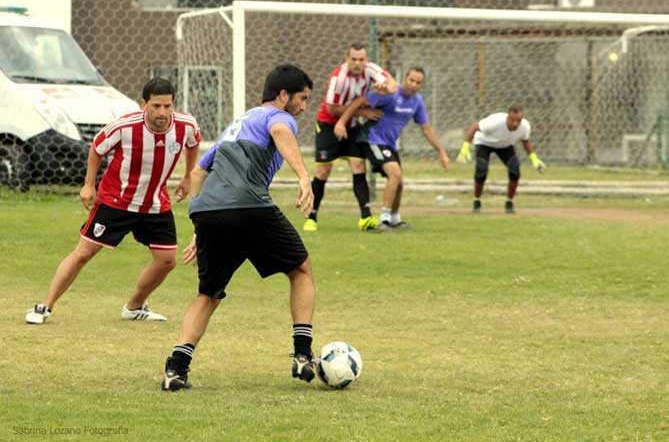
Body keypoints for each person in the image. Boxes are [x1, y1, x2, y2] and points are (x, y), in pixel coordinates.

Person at [160, 64, 316, 391]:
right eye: (301, 99)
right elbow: (281, 132)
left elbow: (200, 174)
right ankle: (303, 354)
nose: (303, 108)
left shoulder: (237, 124)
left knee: (208, 294)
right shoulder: (278, 117)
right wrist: (303, 176)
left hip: (208, 213)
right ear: (283, 95)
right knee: (301, 269)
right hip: (249, 207)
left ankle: (176, 369)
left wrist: (200, 230)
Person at [25, 78, 201, 324]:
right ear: (144, 104)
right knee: (84, 253)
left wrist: (186, 176)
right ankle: (44, 306)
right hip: (116, 201)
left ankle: (134, 307)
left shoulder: (186, 125)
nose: (162, 113)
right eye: (156, 106)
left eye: (168, 106)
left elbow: (193, 144)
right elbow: (97, 148)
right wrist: (88, 185)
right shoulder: (124, 127)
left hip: (154, 203)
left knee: (167, 260)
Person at [334, 67, 450, 231]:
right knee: (395, 174)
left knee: (399, 181)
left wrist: (441, 152)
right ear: (405, 79)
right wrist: (342, 122)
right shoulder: (389, 94)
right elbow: (359, 101)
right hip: (372, 138)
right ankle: (384, 218)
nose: (414, 84)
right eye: (411, 80)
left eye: (418, 82)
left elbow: (426, 128)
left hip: (389, 143)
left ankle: (395, 218)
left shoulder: (417, 101)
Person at [303, 42, 398, 232]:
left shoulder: (371, 70)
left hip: (352, 126)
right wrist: (362, 112)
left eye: (361, 59)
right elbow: (331, 108)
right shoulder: (338, 78)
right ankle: (312, 217)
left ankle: (365, 218)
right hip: (328, 125)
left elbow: (393, 85)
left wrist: (385, 86)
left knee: (358, 166)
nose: (357, 63)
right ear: (347, 59)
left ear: (366, 60)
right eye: (353, 59)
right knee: (323, 171)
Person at [456, 106, 546, 214]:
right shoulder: (495, 122)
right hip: (484, 143)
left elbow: (525, 141)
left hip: (505, 145)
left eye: (518, 121)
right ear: (508, 117)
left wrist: (534, 159)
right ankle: (477, 201)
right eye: (513, 120)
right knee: (481, 169)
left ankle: (509, 202)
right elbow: (474, 128)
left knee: (515, 170)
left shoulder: (525, 126)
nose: (515, 124)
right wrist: (465, 147)